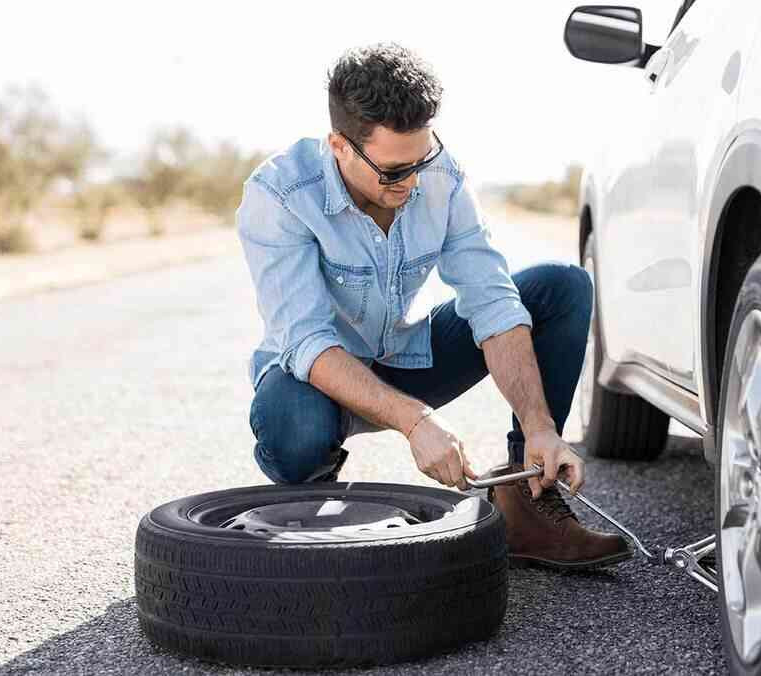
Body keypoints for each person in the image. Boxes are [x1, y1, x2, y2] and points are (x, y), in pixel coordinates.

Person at [236, 42, 630, 570]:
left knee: (562, 286)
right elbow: (308, 342)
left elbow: (490, 300)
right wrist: (417, 423)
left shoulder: (440, 176)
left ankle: (527, 501)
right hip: (314, 382)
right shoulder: (280, 194)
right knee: (295, 428)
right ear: (340, 146)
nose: (414, 181)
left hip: (404, 357)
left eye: (421, 160)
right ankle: (311, 505)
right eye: (396, 171)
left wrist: (540, 425)